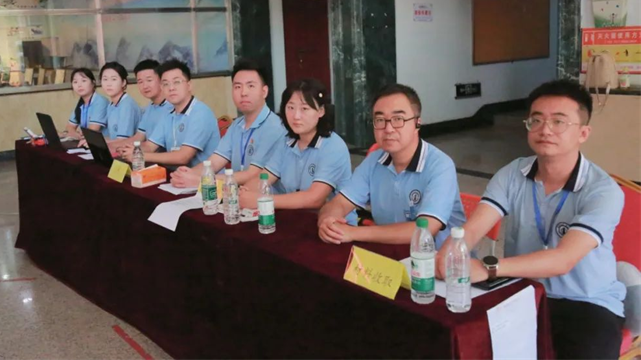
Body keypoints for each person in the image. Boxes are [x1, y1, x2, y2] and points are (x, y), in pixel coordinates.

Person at [435, 80, 625, 360]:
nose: (545, 130)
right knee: (461, 340)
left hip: (585, 303)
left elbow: (563, 260)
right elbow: (473, 230)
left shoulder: (602, 190)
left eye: (558, 121)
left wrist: (488, 268)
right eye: (536, 120)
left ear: (583, 133)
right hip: (522, 291)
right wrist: (451, 251)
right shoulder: (512, 174)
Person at [317, 84, 465, 248]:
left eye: (398, 119)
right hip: (390, 255)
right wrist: (328, 221)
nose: (388, 129)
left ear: (417, 123)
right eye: (380, 120)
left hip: (438, 259)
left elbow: (426, 229)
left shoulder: (440, 166)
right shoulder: (374, 161)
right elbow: (339, 203)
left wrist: (353, 232)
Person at [238, 78, 356, 224]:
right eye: (290, 108)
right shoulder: (286, 142)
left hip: (333, 226)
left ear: (321, 111)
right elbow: (264, 177)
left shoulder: (333, 146)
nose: (296, 116)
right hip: (295, 219)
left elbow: (315, 199)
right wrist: (245, 192)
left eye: (304, 109)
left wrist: (263, 200)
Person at [170, 58, 286, 187]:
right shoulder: (237, 125)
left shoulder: (274, 127)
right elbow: (214, 162)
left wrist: (201, 180)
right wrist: (187, 174)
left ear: (264, 91)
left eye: (251, 86)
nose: (243, 93)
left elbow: (252, 174)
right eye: (237, 87)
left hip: (265, 197)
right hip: (235, 194)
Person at [120, 59, 219, 167]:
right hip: (175, 175)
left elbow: (183, 157)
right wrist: (129, 150)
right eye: (166, 84)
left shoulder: (200, 113)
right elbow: (150, 146)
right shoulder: (168, 114)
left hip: (204, 177)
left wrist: (140, 156)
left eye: (176, 82)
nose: (171, 88)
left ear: (189, 85)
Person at [109, 59, 171, 149]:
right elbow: (138, 137)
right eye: (140, 82)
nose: (145, 86)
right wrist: (110, 146)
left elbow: (151, 146)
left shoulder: (171, 107)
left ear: (161, 80)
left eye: (149, 80)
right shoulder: (150, 107)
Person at [100, 61, 141, 141]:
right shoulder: (111, 105)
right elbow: (112, 138)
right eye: (105, 79)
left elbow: (122, 140)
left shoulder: (127, 105)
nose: (108, 84)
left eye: (113, 79)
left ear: (123, 82)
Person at [63, 68, 108, 139]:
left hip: (103, 143)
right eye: (75, 82)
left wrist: (77, 134)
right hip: (86, 141)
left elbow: (92, 130)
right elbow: (69, 127)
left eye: (84, 81)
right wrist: (74, 134)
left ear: (93, 83)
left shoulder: (100, 102)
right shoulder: (81, 104)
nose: (79, 85)